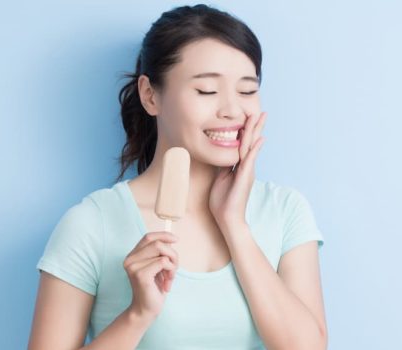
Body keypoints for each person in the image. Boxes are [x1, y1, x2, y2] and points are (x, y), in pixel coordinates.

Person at [28, 4, 326, 350]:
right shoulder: (92, 224)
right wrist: (137, 315)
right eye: (206, 91)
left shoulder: (285, 211)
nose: (232, 109)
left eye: (247, 90)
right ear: (150, 95)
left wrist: (233, 224)